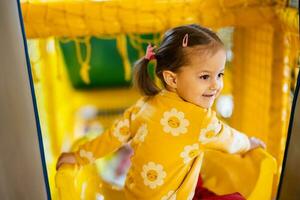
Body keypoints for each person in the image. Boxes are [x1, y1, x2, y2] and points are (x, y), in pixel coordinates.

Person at [56, 24, 266, 200]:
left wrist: (78, 157)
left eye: (219, 74)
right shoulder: (201, 120)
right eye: (204, 77)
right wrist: (250, 143)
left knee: (192, 168)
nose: (216, 85)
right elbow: (231, 141)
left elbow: (112, 137)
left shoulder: (146, 103)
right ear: (172, 79)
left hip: (133, 196)